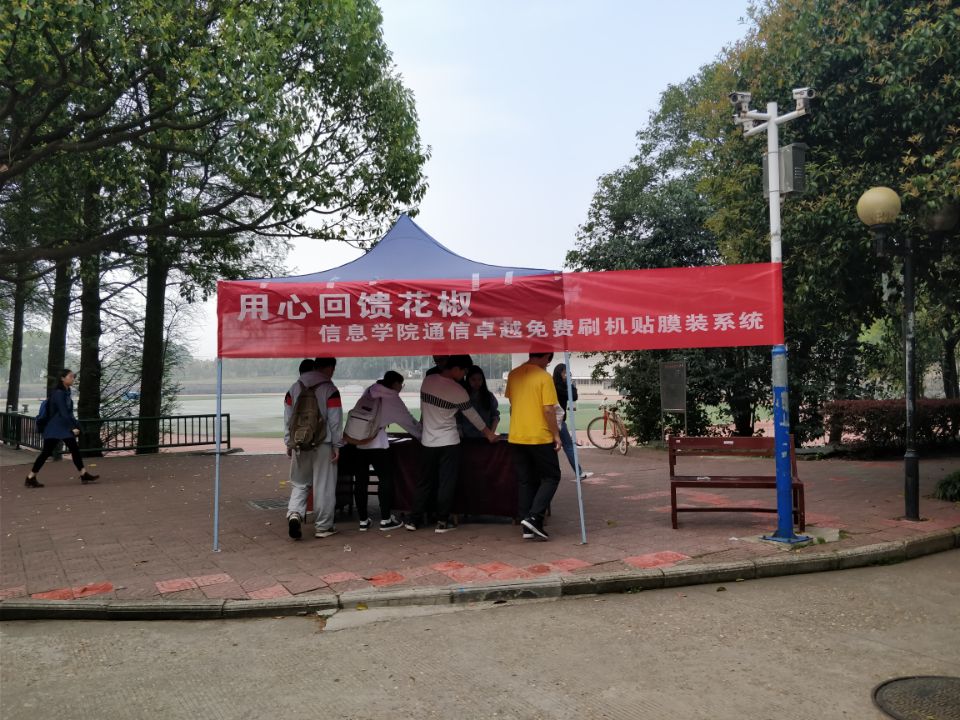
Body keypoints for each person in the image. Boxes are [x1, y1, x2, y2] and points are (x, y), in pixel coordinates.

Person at [406, 354, 498, 533]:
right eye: (464, 371)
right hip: (449, 442)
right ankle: (442, 521)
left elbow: (424, 410)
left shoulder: (428, 381)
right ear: (456, 368)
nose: (464, 375)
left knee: (424, 482)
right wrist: (489, 434)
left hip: (427, 441)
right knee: (446, 483)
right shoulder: (458, 390)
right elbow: (473, 416)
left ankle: (414, 520)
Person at [350, 370, 422, 532]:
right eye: (401, 385)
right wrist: (423, 436)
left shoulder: (370, 390)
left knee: (361, 481)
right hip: (378, 443)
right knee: (385, 480)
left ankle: (363, 521)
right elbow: (408, 421)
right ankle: (385, 520)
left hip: (359, 441)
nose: (401, 388)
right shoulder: (392, 397)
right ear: (395, 384)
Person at [284, 357, 343, 540]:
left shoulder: (294, 388)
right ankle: (324, 526)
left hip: (300, 443)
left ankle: (295, 512)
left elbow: (288, 418)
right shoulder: (330, 389)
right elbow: (335, 422)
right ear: (330, 368)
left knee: (300, 482)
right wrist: (337, 445)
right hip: (323, 443)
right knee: (324, 485)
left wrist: (289, 442)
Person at [505, 352, 562, 541]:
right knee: (551, 477)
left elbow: (513, 403)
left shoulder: (514, 374)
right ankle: (534, 517)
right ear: (545, 356)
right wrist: (556, 435)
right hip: (539, 436)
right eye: (548, 360)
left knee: (525, 480)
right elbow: (548, 409)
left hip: (516, 435)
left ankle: (527, 526)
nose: (548, 364)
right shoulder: (544, 377)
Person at [24, 369, 100, 488]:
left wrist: (76, 425)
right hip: (55, 427)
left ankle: (83, 474)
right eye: (70, 376)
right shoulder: (59, 393)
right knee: (47, 452)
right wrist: (72, 427)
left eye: (73, 377)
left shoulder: (66, 392)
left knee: (72, 449)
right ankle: (30, 477)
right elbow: (63, 412)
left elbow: (68, 413)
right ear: (62, 378)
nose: (73, 379)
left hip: (61, 427)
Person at [552, 363, 593, 480]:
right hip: (557, 421)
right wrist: (570, 384)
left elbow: (574, 397)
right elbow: (573, 396)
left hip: (555, 420)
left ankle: (554, 471)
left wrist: (569, 383)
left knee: (553, 447)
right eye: (564, 372)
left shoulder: (559, 385)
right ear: (559, 373)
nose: (567, 375)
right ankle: (578, 472)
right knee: (568, 446)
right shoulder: (558, 387)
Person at [458, 365, 500, 439]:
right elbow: (458, 419)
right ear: (468, 380)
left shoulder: (489, 396)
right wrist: (461, 435)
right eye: (473, 379)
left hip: (485, 438)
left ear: (483, 380)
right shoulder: (463, 396)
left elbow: (495, 417)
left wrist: (491, 434)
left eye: (480, 379)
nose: (477, 382)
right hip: (467, 438)